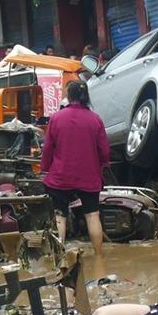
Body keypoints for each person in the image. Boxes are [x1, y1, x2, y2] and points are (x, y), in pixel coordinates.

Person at [41, 81, 110, 256]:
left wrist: (45, 168)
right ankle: (99, 257)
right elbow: (104, 150)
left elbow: (48, 147)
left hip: (60, 175)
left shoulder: (57, 118)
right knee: (92, 215)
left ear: (69, 96)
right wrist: (102, 165)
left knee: (59, 216)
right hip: (89, 176)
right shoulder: (95, 119)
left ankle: (59, 258)